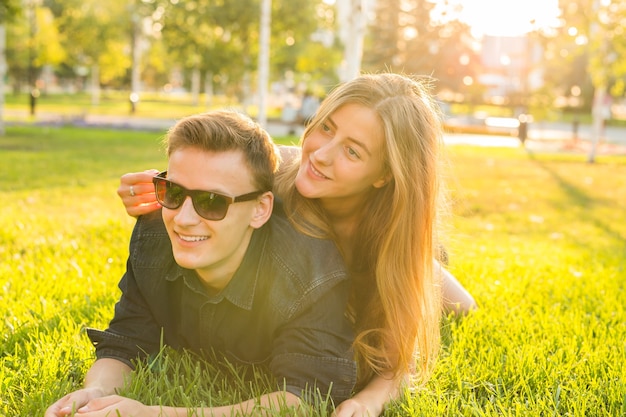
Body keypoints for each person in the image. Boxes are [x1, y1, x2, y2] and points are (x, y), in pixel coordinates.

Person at [117, 73, 477, 416]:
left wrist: (372, 396)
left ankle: (431, 265)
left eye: (353, 152)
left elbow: (401, 353)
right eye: (326, 128)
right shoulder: (287, 170)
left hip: (386, 252)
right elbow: (221, 170)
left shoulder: (383, 239)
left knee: (459, 305)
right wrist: (163, 187)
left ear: (384, 173)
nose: (321, 154)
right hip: (318, 278)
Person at [45, 111, 357, 417]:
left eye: (212, 201)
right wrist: (97, 392)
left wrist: (155, 414)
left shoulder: (308, 273)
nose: (183, 219)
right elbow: (126, 341)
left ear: (260, 209)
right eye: (174, 192)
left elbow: (305, 398)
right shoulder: (154, 236)